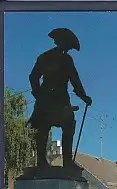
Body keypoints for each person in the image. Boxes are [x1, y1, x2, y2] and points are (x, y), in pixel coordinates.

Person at [28, 28, 92, 168]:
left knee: (54, 126)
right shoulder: (56, 58)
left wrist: (38, 94)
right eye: (68, 45)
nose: (69, 49)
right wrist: (84, 97)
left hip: (53, 99)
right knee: (56, 127)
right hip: (55, 99)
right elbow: (75, 81)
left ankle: (53, 162)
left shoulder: (52, 57)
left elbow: (75, 80)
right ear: (62, 42)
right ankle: (59, 162)